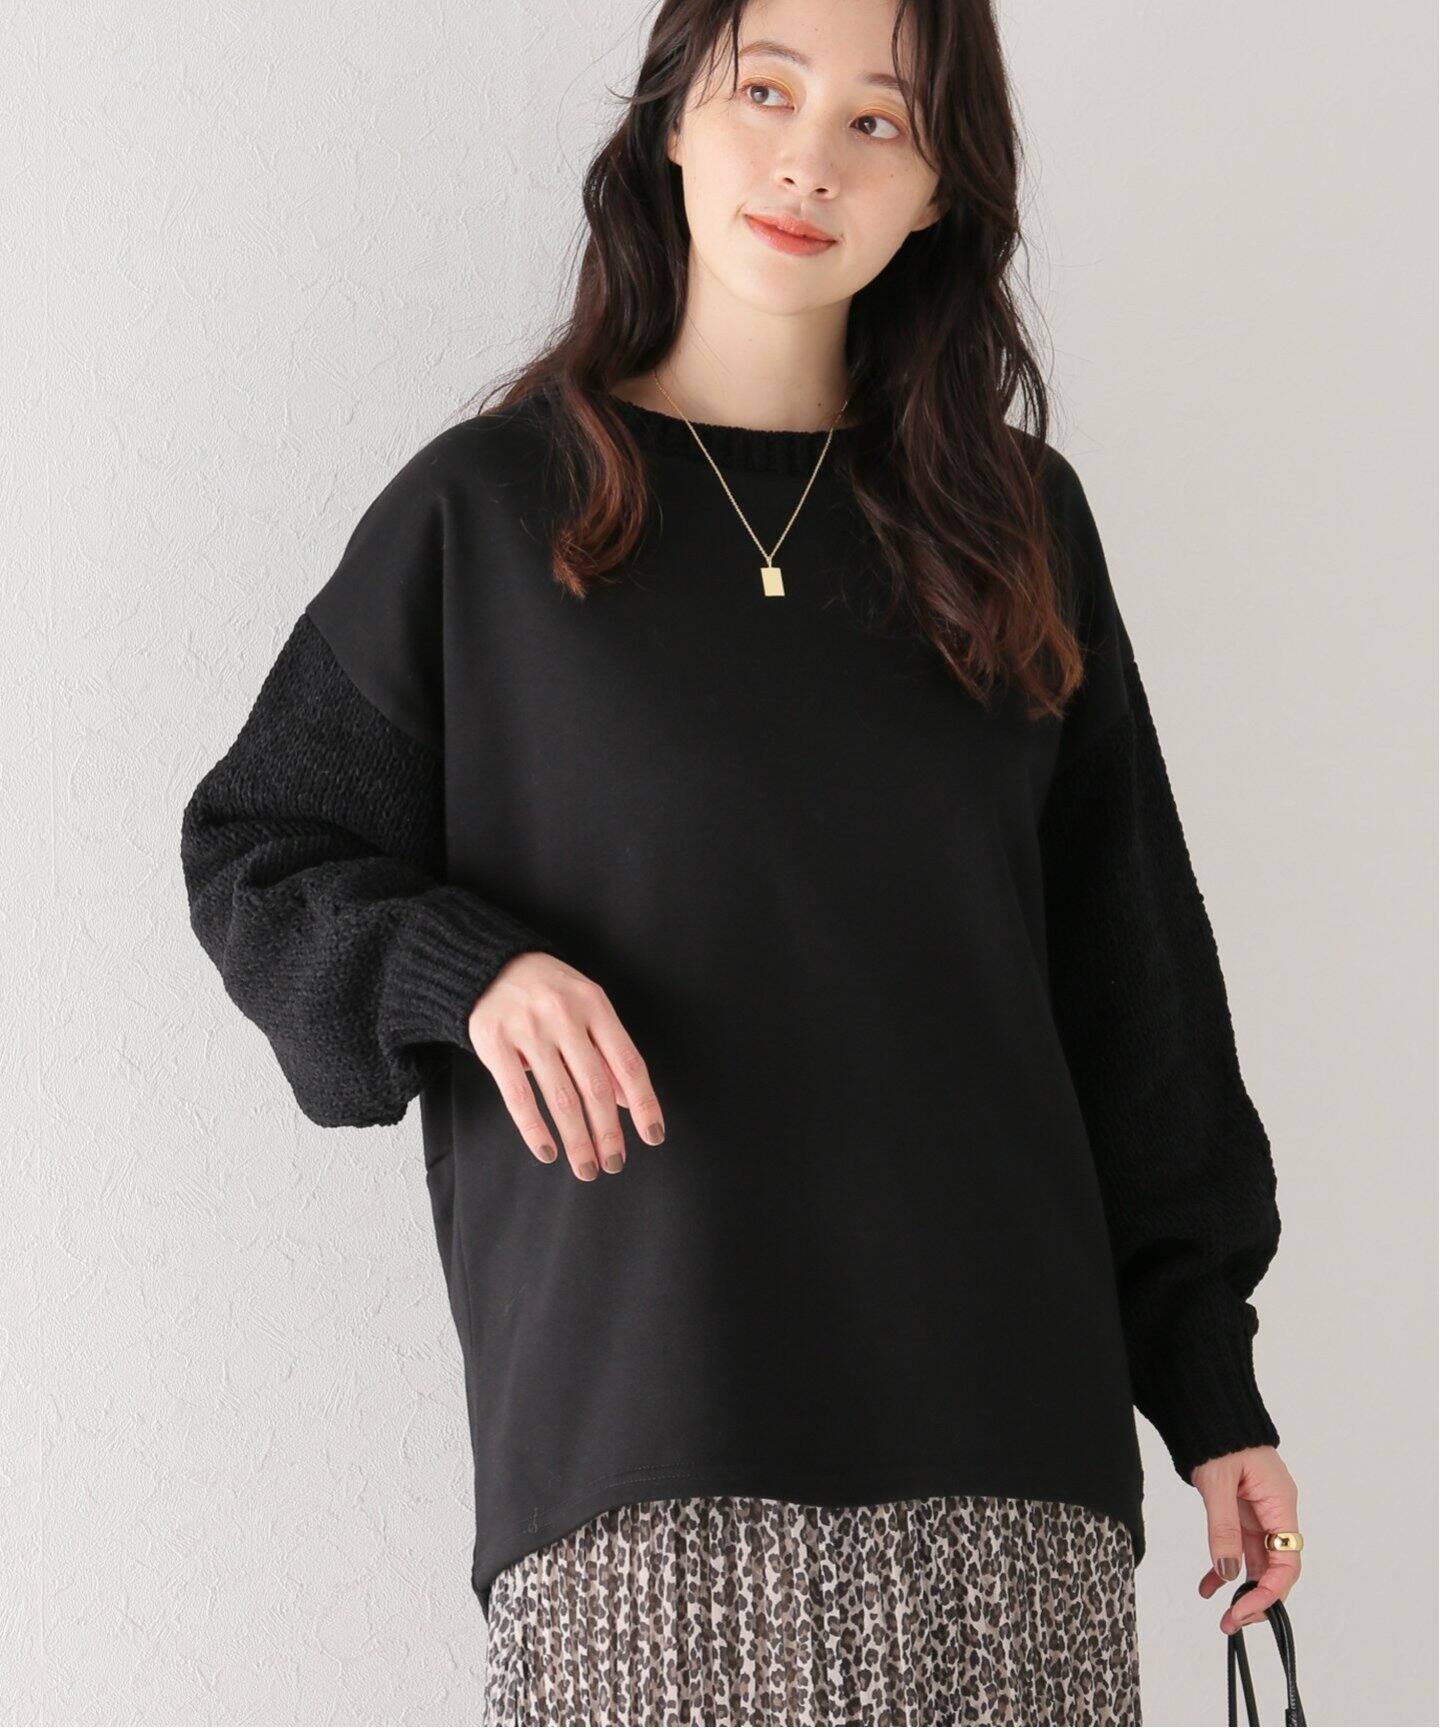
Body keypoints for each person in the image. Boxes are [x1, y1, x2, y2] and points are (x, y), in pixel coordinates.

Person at [179, 0, 1305, 1721]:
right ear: (672, 120)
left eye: (879, 121)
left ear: (941, 186)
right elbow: (259, 851)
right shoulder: (489, 514)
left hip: (1007, 1466)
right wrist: (464, 971)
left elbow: (1130, 983)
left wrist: (1213, 1392)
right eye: (764, 91)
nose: (808, 160)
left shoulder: (1020, 531)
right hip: (640, 1462)